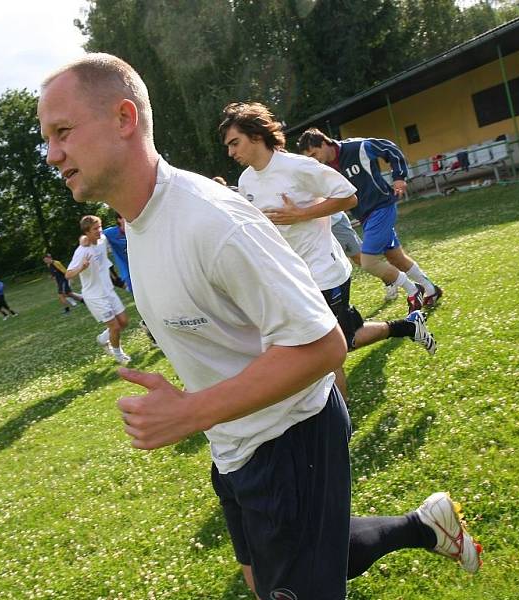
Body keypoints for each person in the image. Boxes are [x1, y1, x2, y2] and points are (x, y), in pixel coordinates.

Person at [38, 53, 481, 600]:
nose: (53, 154)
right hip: (233, 443)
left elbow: (323, 345)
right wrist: (203, 417)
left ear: (124, 119)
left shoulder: (212, 221)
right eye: (47, 138)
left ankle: (419, 526)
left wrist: (188, 412)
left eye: (62, 132)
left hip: (290, 437)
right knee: (265, 576)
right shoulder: (137, 222)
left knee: (288, 582)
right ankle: (424, 525)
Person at [219, 102, 437, 399]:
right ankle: (409, 327)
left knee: (324, 350)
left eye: (235, 142)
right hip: (291, 275)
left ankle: (341, 421)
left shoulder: (299, 166)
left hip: (325, 270)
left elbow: (348, 196)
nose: (231, 152)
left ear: (256, 135)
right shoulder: (246, 182)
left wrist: (302, 214)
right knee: (342, 340)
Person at [297, 128, 443, 309]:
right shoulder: (325, 168)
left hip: (381, 208)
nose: (314, 159)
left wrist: (399, 177)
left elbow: (390, 149)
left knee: (368, 262)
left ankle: (414, 291)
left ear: (325, 143)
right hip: (366, 217)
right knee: (395, 257)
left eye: (314, 153)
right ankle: (431, 289)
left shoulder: (358, 147)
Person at [65, 215, 131, 364]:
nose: (99, 230)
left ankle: (103, 339)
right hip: (95, 296)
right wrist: (81, 267)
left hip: (108, 291)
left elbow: (109, 233)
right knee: (115, 327)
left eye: (100, 227)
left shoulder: (102, 240)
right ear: (86, 232)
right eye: (95, 229)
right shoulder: (82, 251)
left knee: (124, 322)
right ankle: (119, 355)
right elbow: (68, 274)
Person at [103, 212, 159, 348]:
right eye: (123, 218)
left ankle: (150, 327)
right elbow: (96, 234)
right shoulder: (111, 233)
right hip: (130, 275)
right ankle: (153, 335)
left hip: (147, 269)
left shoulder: (137, 228)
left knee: (156, 302)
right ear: (118, 220)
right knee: (147, 304)